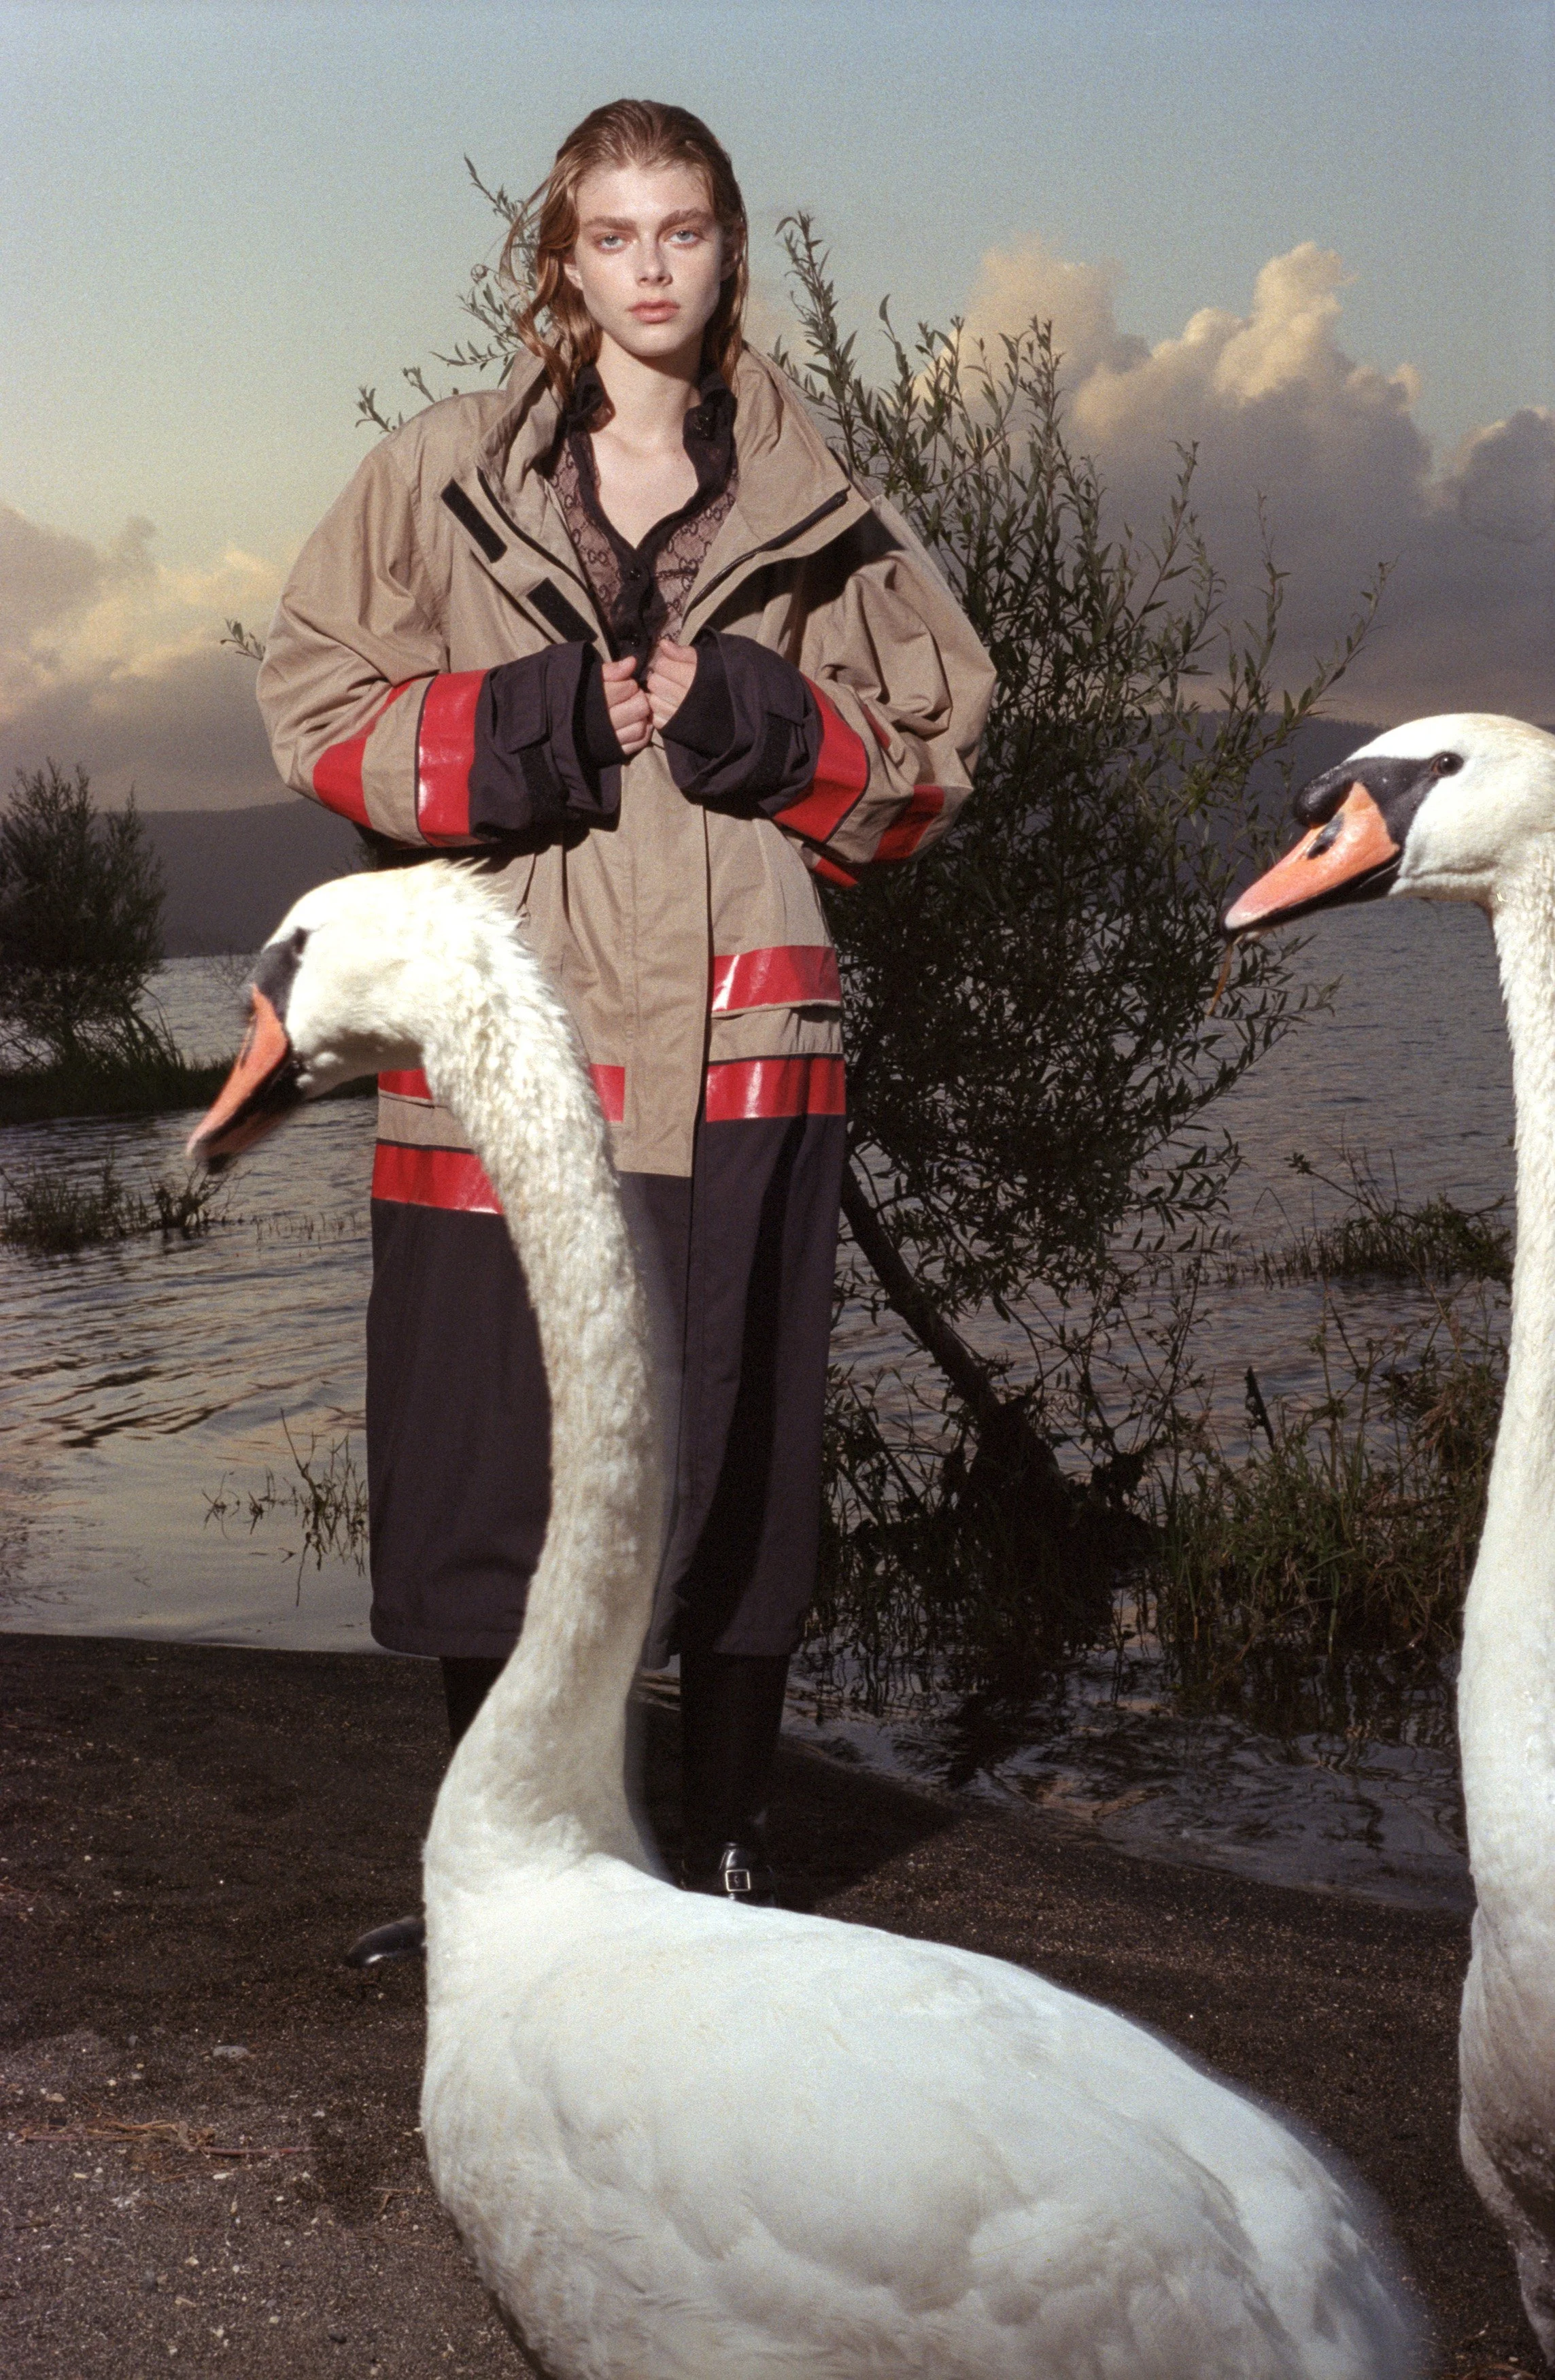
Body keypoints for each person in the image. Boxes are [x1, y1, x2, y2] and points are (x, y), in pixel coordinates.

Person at [256, 99, 994, 1955]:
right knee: (491, 1451)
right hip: (507, 1030)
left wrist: (754, 709)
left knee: (732, 1446)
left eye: (683, 231)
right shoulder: (430, 471)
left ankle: (729, 1856)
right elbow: (311, 703)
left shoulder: (822, 496)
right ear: (558, 267)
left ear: (728, 248)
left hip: (747, 1032)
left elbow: (929, 777)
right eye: (613, 235)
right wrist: (539, 722)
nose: (651, 268)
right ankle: (498, 1879)